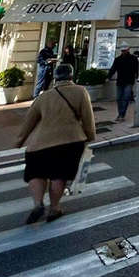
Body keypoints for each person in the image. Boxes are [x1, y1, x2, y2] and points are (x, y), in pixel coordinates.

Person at [14, 63, 95, 224]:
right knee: (59, 175)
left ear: (55, 78)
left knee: (36, 173)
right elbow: (88, 117)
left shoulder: (43, 96)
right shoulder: (80, 91)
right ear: (72, 76)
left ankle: (37, 204)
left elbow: (29, 121)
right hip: (69, 140)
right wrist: (90, 136)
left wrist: (20, 140)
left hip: (39, 144)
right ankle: (54, 208)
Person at [107, 43, 139, 121]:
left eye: (125, 50)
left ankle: (121, 114)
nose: (123, 52)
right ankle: (120, 113)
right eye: (122, 50)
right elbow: (113, 68)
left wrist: (138, 76)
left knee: (125, 98)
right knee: (118, 98)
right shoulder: (118, 59)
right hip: (120, 81)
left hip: (129, 81)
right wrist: (108, 77)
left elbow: (137, 69)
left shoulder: (133, 59)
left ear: (128, 49)